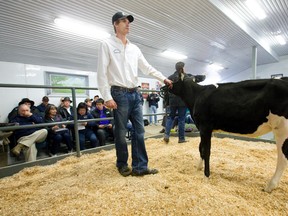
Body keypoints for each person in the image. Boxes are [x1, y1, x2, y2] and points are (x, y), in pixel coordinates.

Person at [97, 11, 172, 177]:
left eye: (128, 21)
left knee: (140, 131)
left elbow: (146, 67)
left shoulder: (134, 48)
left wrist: (163, 78)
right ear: (115, 24)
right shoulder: (107, 44)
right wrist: (107, 97)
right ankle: (122, 164)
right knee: (121, 133)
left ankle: (140, 167)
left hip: (135, 94)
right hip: (118, 94)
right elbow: (101, 72)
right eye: (123, 21)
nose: (127, 23)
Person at [164, 62, 188, 144]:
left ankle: (166, 135)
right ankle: (181, 138)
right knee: (181, 119)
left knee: (170, 117)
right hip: (182, 101)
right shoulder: (185, 77)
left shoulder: (170, 77)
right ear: (182, 68)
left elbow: (166, 90)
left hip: (172, 101)